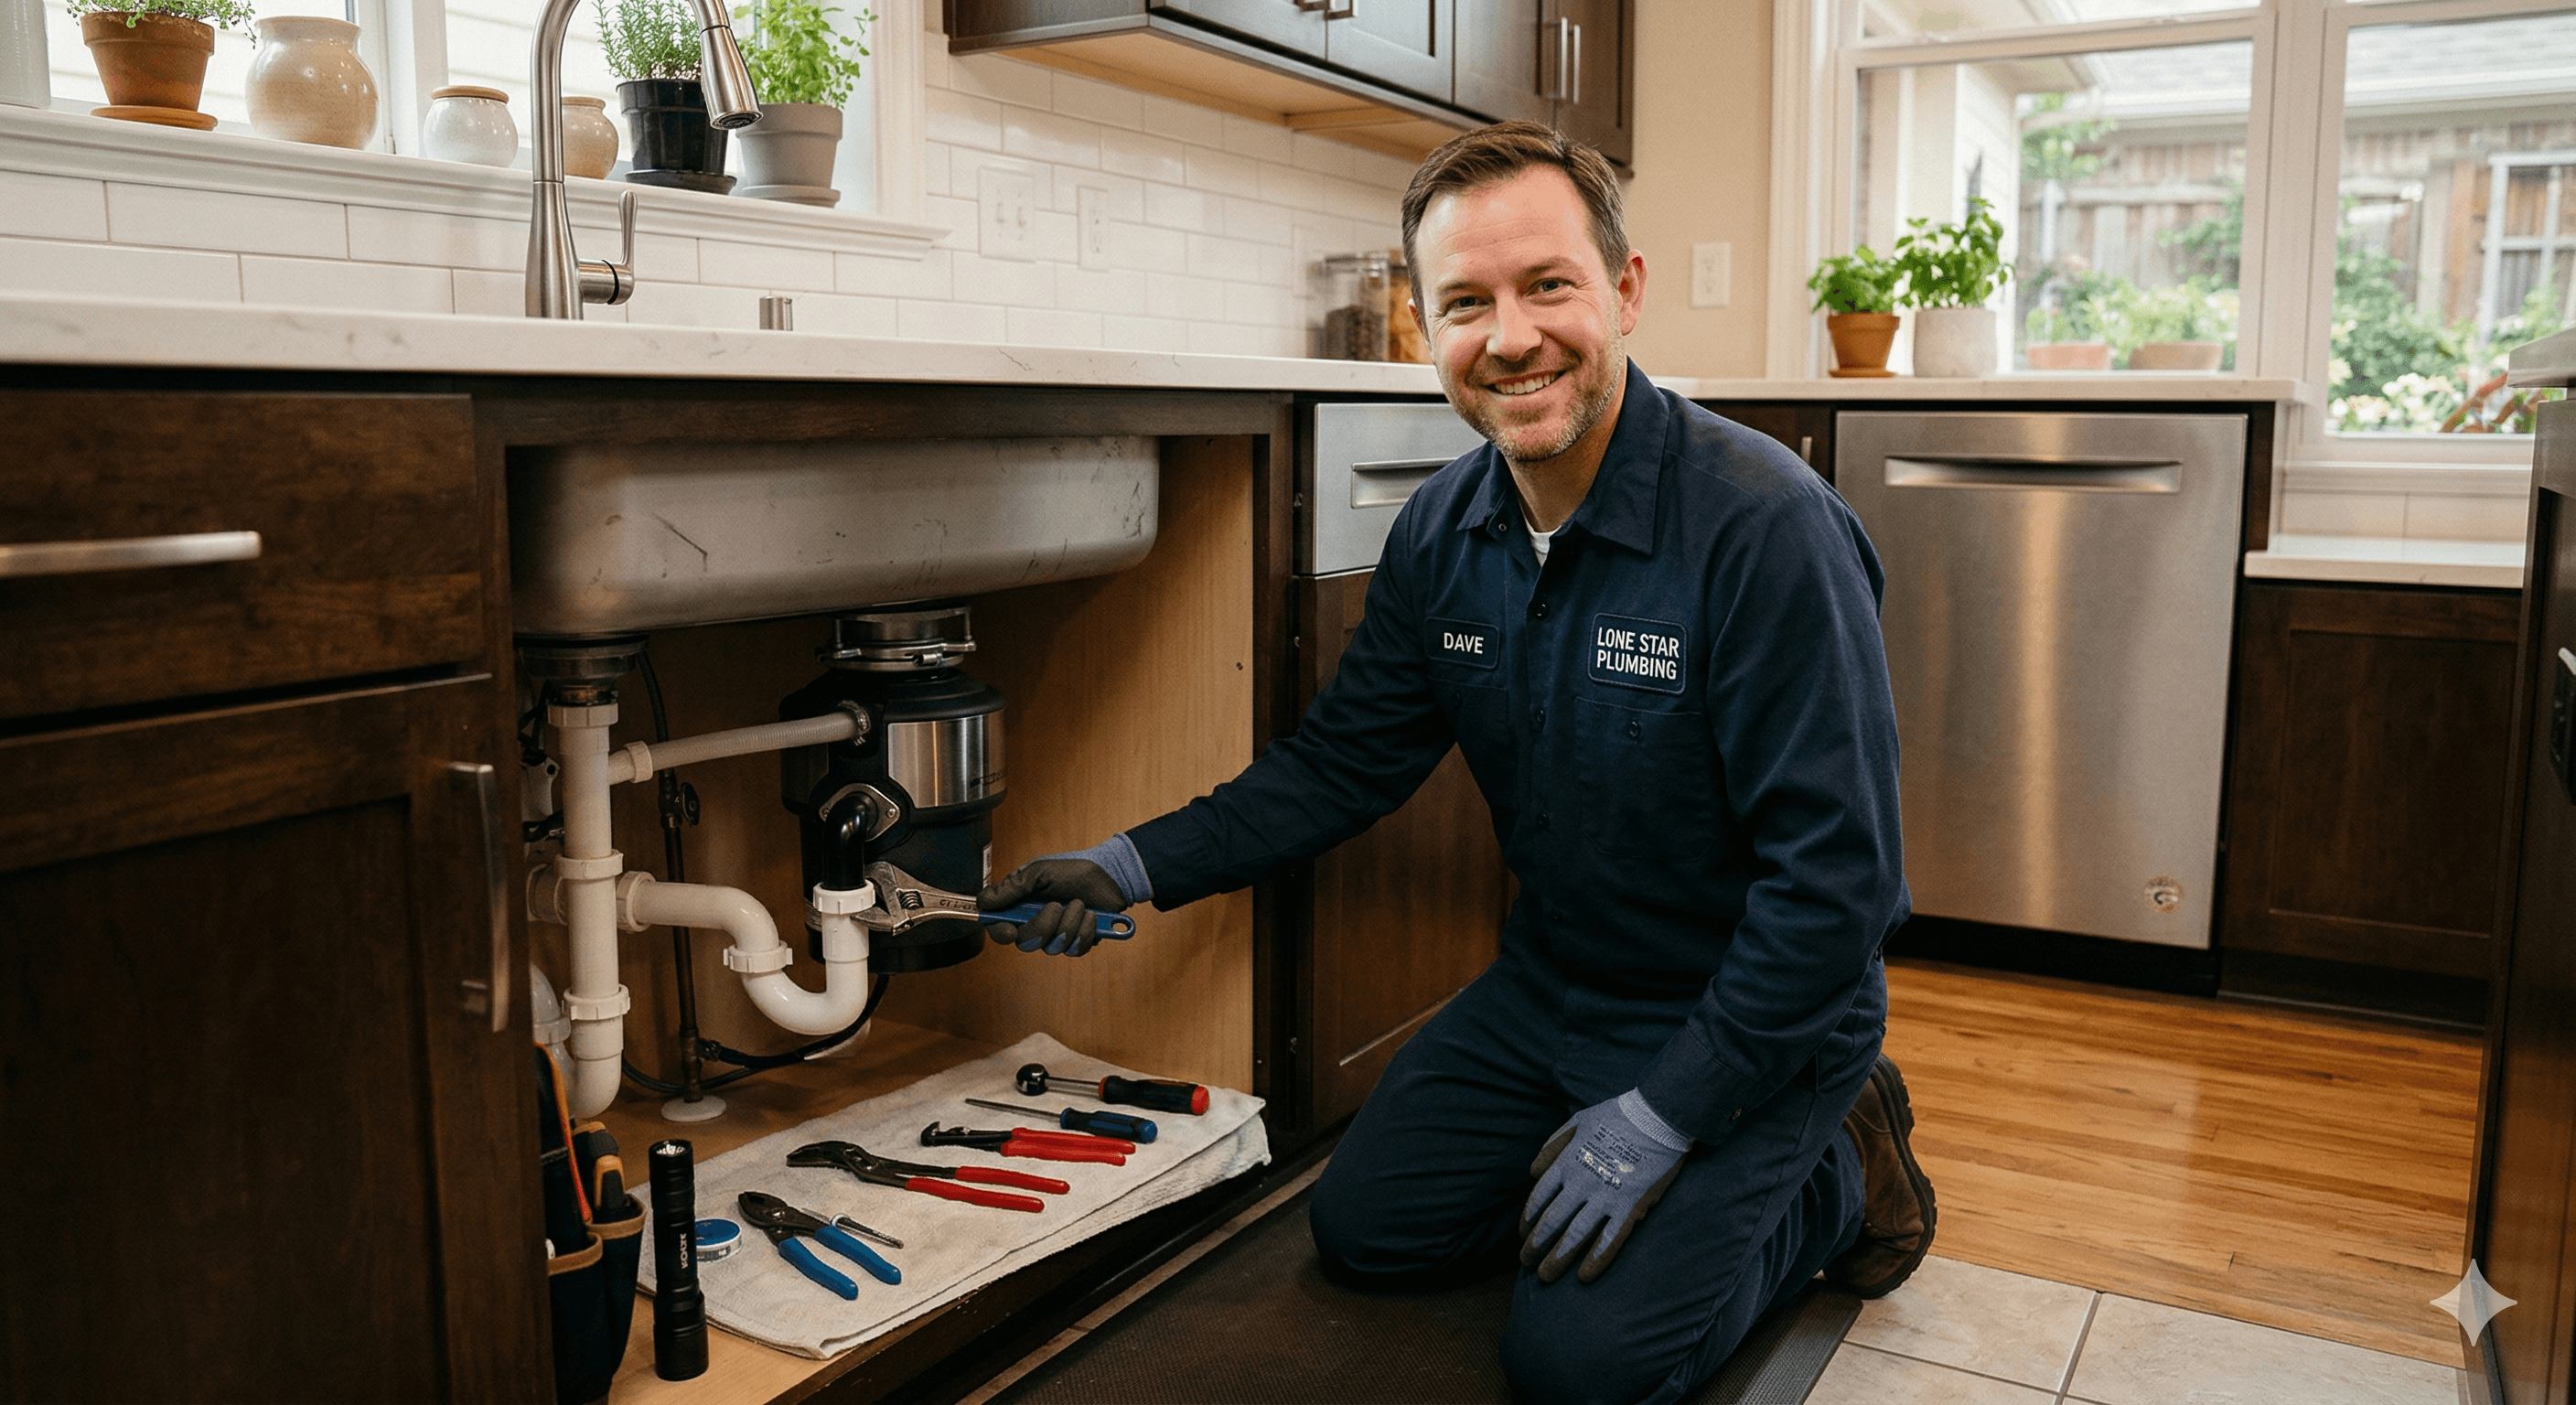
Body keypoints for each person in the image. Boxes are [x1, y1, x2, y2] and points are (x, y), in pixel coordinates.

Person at [980, 120, 1932, 1405]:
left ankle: (1833, 1165)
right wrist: (1129, 864)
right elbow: (1340, 766)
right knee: (1370, 1235)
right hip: (1555, 986)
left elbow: (1837, 896)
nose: (1512, 336)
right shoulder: (1445, 530)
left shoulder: (1765, 531)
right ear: (1425, 331)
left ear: (1625, 291)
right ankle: (1640, 1174)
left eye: (1549, 285)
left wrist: (1667, 1116)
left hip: (1756, 1014)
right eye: (1466, 303)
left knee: (1580, 1371)